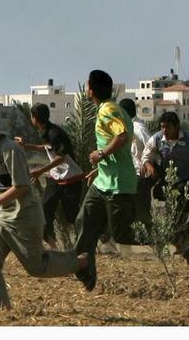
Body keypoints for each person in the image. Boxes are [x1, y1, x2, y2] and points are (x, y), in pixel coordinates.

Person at [0, 109, 92, 309]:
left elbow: (21, 187)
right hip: (2, 218)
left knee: (37, 267)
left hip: (23, 216)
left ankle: (81, 262)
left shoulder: (10, 150)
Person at [74, 70, 140, 291]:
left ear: (91, 89)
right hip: (103, 182)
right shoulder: (112, 108)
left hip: (118, 184)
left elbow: (121, 136)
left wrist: (100, 155)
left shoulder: (108, 110)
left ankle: (173, 237)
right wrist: (99, 169)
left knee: (123, 234)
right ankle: (85, 269)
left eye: (87, 85)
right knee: (84, 221)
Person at [141, 111, 189, 262]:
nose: (165, 130)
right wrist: (149, 166)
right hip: (171, 183)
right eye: (162, 127)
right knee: (184, 215)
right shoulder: (157, 139)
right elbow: (145, 156)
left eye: (168, 127)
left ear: (177, 127)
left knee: (180, 210)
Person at [15, 102, 84, 249]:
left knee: (72, 216)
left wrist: (40, 171)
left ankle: (88, 240)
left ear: (34, 118)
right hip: (56, 179)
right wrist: (26, 146)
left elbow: (61, 157)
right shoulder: (47, 131)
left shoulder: (54, 133)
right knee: (44, 213)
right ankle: (54, 248)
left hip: (71, 179)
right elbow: (48, 148)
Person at [119, 98, 153, 229]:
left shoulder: (138, 128)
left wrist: (146, 163)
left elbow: (152, 146)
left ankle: (151, 237)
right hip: (130, 176)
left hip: (140, 176)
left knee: (142, 212)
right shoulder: (127, 127)